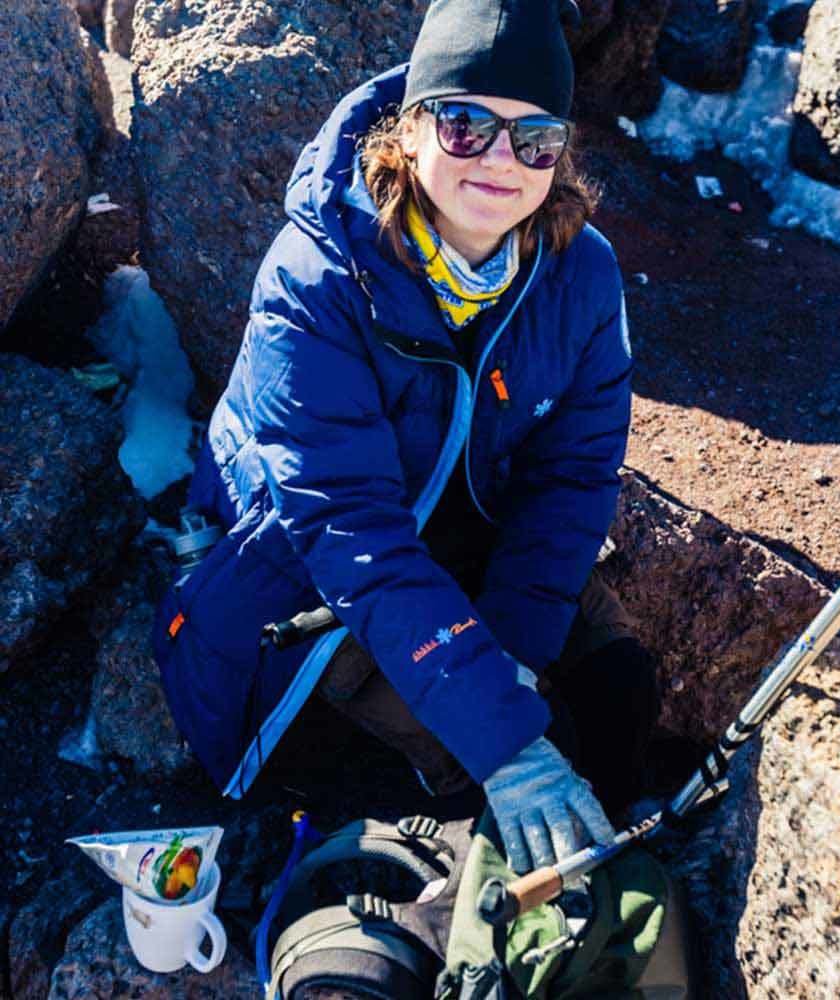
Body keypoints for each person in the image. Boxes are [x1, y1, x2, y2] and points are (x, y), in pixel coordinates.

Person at [152, 0, 659, 876]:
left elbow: (572, 478)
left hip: (459, 528)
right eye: (466, 126)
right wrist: (505, 740)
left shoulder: (582, 272)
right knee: (491, 765)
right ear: (411, 129)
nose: (500, 160)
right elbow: (348, 527)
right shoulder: (318, 280)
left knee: (616, 697)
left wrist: (511, 662)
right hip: (305, 581)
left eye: (535, 138)